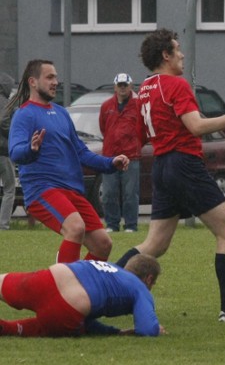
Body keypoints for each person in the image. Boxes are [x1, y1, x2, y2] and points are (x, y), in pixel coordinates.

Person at [114, 28, 225, 323]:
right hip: (184, 164)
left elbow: (141, 135)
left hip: (161, 165)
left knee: (154, 245)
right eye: (177, 49)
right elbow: (196, 127)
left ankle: (102, 284)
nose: (182, 54)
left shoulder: (143, 89)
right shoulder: (176, 84)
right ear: (166, 55)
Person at [8, 59, 130, 262]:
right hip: (43, 189)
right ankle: (62, 285)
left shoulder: (62, 113)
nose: (55, 82)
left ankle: (81, 284)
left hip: (72, 191)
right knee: (75, 228)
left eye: (56, 77)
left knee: (103, 245)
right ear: (33, 82)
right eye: (49, 77)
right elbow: (15, 152)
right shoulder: (24, 114)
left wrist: (110, 163)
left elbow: (81, 152)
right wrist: (31, 149)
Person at [0, 253, 163, 337]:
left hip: (47, 278)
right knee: (57, 324)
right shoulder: (139, 288)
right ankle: (8, 328)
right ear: (149, 279)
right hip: (67, 307)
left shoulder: (112, 269)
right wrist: (154, 328)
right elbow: (146, 329)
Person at [99, 72, 141, 233]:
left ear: (130, 86)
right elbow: (104, 127)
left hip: (131, 156)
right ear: (115, 87)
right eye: (120, 85)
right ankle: (112, 224)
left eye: (125, 85)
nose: (122, 88)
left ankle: (131, 225)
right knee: (109, 193)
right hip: (110, 155)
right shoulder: (106, 106)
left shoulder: (137, 105)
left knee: (130, 193)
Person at [0, 72, 16, 230]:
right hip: (3, 152)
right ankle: (3, 225)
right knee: (9, 189)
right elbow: (3, 121)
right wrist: (13, 134)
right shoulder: (6, 102)